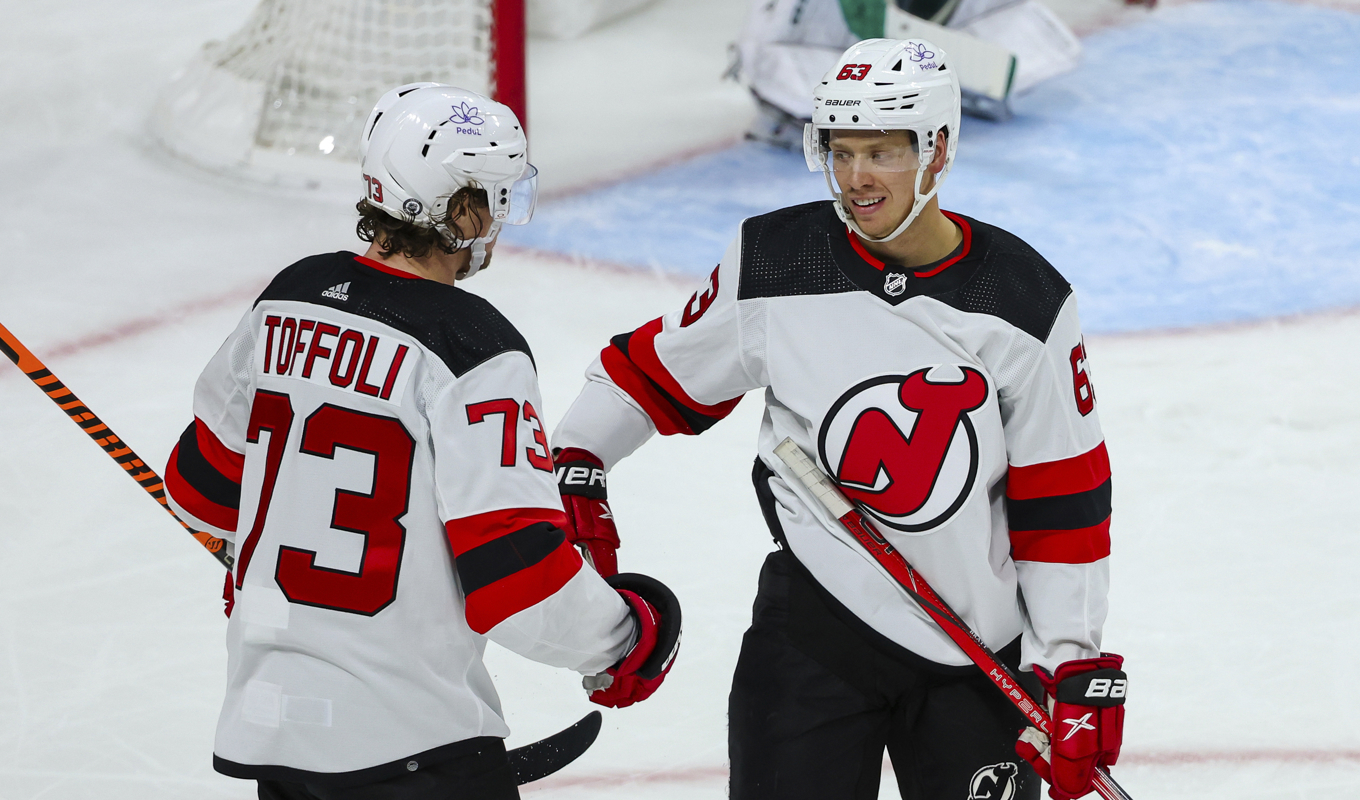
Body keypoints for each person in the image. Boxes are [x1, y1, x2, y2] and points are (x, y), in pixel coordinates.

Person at [552, 39, 1125, 800]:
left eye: (881, 151)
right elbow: (649, 377)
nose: (856, 178)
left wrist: (1070, 662)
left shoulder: (1023, 300)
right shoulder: (778, 260)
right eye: (841, 150)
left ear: (938, 149)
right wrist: (579, 461)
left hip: (977, 650)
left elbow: (1063, 499)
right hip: (813, 633)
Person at [162, 83, 679, 800]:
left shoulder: (288, 297)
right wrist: (630, 634)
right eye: (494, 198)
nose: (499, 219)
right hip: (411, 745)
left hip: (275, 732)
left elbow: (200, 491)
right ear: (460, 208)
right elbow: (517, 582)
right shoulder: (473, 349)